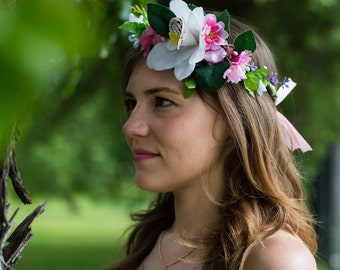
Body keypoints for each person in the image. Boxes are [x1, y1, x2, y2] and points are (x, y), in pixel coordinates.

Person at [111, 0, 318, 269]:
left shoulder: (273, 259)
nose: (130, 126)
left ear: (235, 122)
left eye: (162, 102)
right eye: (131, 104)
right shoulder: (154, 242)